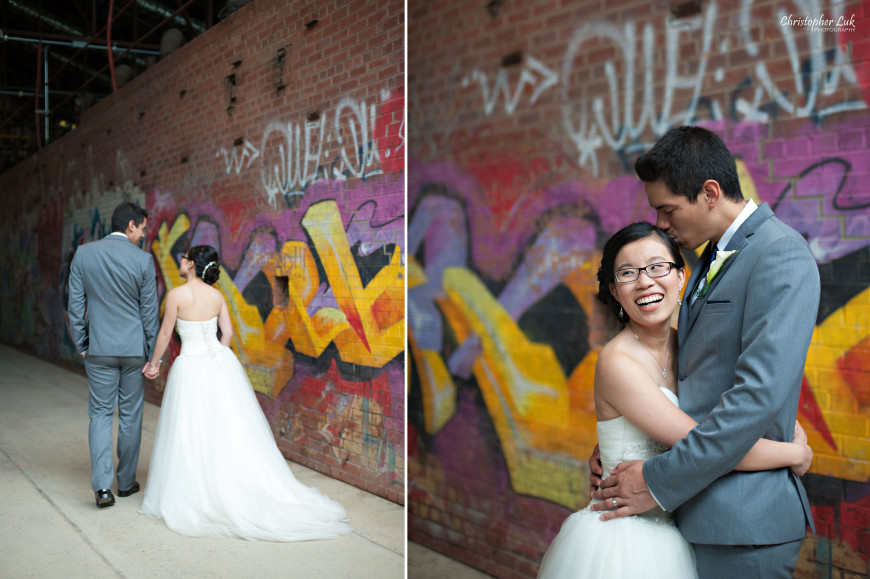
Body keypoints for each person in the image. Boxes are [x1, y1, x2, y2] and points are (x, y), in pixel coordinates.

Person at [588, 126, 820, 578]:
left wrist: (655, 481)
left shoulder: (780, 255)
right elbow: (692, 376)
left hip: (744, 519)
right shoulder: (709, 257)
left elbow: (755, 398)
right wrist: (617, 447)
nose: (662, 223)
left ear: (710, 192)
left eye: (668, 209)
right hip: (695, 515)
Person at [537, 222, 812, 579]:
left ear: (681, 277)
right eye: (627, 273)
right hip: (626, 539)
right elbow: (706, 443)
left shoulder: (694, 349)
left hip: (684, 525)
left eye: (657, 267)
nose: (645, 282)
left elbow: (745, 412)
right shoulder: (617, 362)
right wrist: (795, 454)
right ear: (614, 291)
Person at [138, 245, 351, 541]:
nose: (181, 261)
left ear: (192, 265)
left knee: (190, 429)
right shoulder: (217, 296)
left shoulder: (176, 296)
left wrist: (154, 363)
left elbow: (164, 334)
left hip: (190, 366)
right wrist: (217, 356)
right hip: (218, 364)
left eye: (185, 258)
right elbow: (226, 333)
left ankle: (198, 488)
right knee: (227, 428)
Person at [68, 201, 159, 508]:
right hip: (134, 352)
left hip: (99, 350)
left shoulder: (84, 254)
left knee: (101, 415)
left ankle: (102, 489)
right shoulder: (144, 262)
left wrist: (82, 344)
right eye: (143, 229)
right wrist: (152, 355)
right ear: (130, 225)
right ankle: (126, 482)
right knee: (131, 417)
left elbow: (74, 308)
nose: (144, 235)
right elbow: (150, 315)